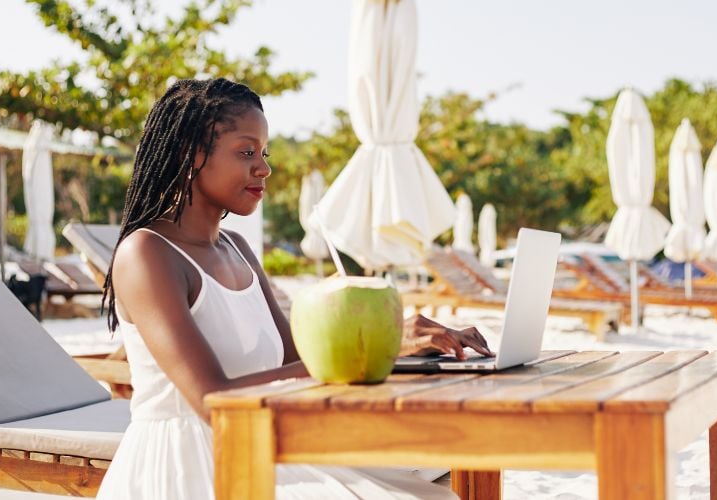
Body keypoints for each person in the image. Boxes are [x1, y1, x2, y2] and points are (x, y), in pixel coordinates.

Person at [95, 78, 490, 499]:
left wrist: (401, 341)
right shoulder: (147, 254)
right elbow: (213, 402)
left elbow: (300, 360)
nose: (263, 169)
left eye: (264, 154)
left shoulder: (237, 249)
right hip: (193, 465)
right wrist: (379, 350)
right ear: (189, 155)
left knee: (434, 479)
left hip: (266, 445)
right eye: (246, 152)